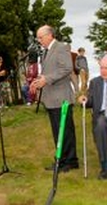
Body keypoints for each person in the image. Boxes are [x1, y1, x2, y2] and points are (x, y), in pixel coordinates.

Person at [30, 25, 79, 173]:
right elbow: (47, 72)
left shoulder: (61, 47)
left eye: (41, 37)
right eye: (38, 38)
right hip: (50, 98)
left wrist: (47, 79)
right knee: (57, 131)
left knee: (66, 130)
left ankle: (70, 161)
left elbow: (67, 69)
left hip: (61, 97)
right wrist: (37, 82)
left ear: (50, 35)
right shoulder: (45, 52)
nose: (39, 41)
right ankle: (61, 160)